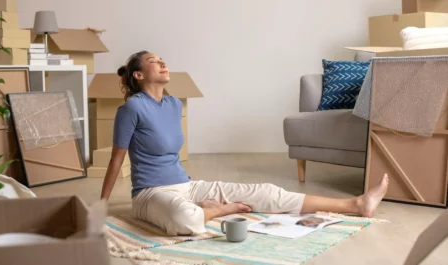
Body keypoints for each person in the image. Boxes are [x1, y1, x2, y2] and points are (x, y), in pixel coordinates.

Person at [100, 50, 389, 236]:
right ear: (138, 75)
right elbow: (116, 160)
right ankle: (219, 209)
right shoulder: (132, 109)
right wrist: (101, 206)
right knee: (184, 218)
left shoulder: (174, 104)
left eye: (163, 59)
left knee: (265, 192)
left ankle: (356, 204)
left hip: (186, 186)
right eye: (153, 61)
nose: (163, 63)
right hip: (150, 194)